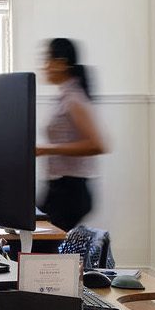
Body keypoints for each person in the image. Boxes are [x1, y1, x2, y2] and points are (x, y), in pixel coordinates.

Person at [35, 37, 107, 231]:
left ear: (61, 63)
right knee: (35, 238)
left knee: (41, 245)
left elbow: (97, 144)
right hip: (59, 188)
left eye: (47, 60)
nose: (44, 67)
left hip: (70, 190)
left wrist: (46, 149)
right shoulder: (64, 96)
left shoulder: (73, 98)